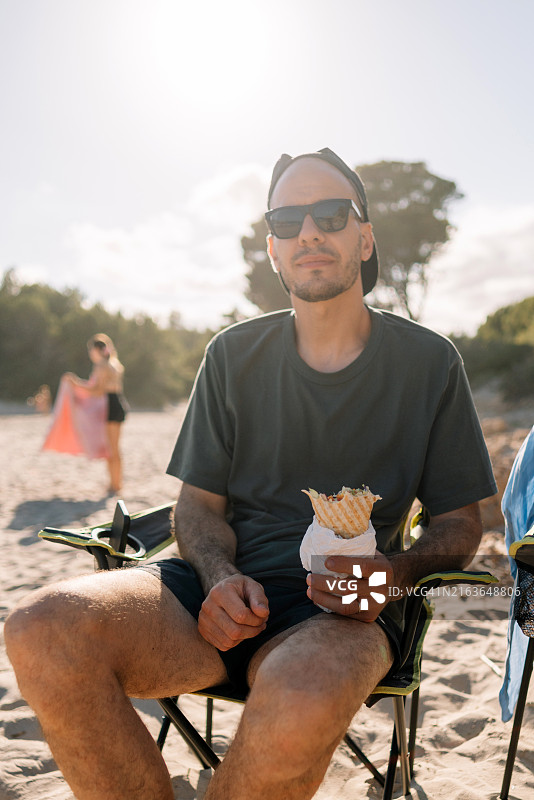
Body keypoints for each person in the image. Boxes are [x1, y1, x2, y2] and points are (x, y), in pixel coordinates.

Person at [5, 149, 497, 800]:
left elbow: (464, 524)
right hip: (210, 599)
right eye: (288, 220)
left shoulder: (429, 362)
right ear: (271, 248)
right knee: (41, 628)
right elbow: (197, 508)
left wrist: (392, 576)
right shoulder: (232, 355)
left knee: (301, 695)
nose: (309, 232)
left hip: (345, 614)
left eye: (330, 214)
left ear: (366, 236)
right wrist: (219, 576)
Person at [62, 333, 128, 493]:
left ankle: (114, 484)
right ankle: (116, 483)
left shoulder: (101, 366)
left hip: (110, 407)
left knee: (111, 448)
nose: (90, 354)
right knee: (115, 447)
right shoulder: (114, 364)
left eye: (91, 350)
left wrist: (76, 383)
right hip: (118, 404)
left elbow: (97, 390)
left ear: (98, 350)